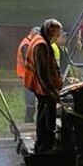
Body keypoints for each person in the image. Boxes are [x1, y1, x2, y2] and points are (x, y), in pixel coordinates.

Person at [22, 18, 63, 153]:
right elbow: (42, 72)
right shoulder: (41, 45)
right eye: (56, 34)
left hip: (42, 88)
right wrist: (51, 91)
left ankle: (43, 144)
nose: (56, 37)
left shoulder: (40, 40)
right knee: (45, 118)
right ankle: (44, 146)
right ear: (50, 32)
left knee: (43, 116)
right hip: (43, 89)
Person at [15, 25, 40, 123]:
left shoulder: (29, 43)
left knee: (32, 101)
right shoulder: (26, 45)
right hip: (27, 77)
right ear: (34, 34)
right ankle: (28, 121)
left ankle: (29, 121)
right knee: (31, 102)